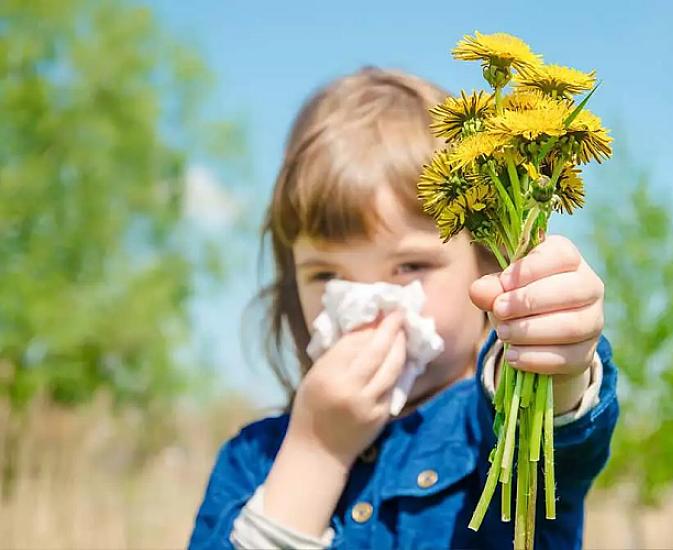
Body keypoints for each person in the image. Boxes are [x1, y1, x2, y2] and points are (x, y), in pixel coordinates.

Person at [188, 67, 619, 550]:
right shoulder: (253, 462)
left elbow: (558, 438)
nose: (370, 305)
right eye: (327, 276)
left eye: (410, 265)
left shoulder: (489, 428)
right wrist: (316, 452)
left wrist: (554, 357)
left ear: (486, 265)